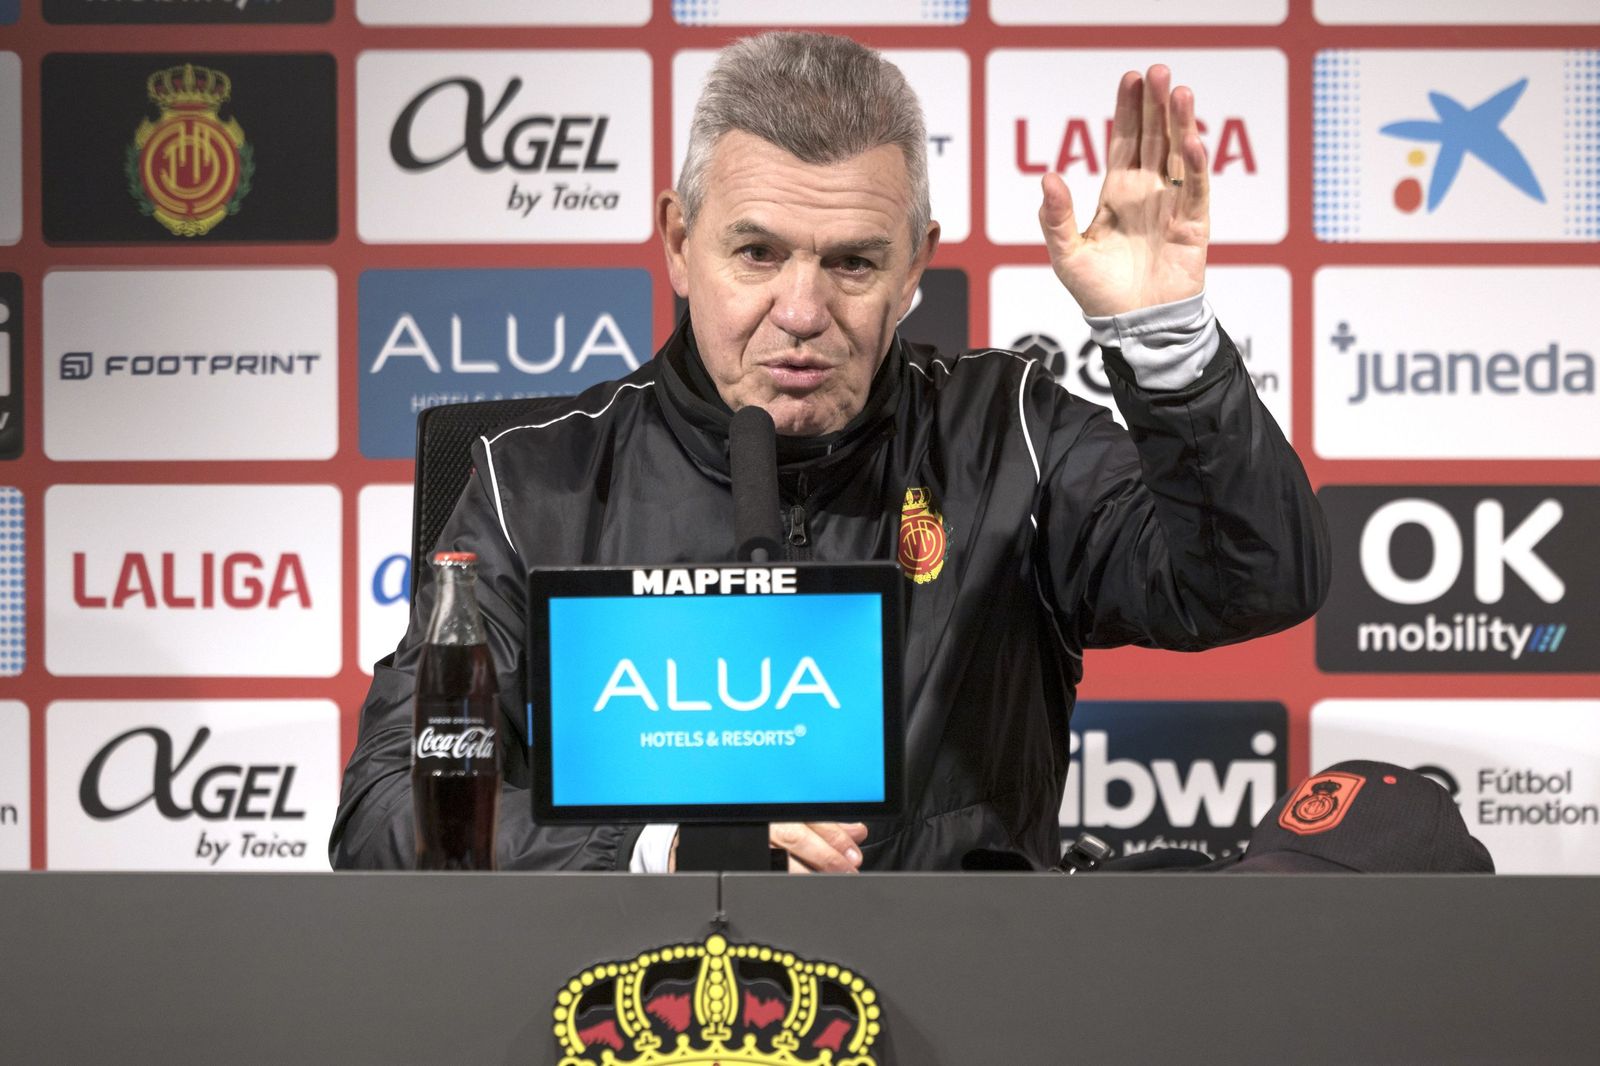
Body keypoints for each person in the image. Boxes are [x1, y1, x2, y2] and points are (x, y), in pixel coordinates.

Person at [331, 31, 1329, 873]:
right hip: (632, 1022)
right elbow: (387, 811)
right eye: (757, 253)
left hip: (949, 1016)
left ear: (914, 268)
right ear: (679, 243)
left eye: (852, 262)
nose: (801, 314)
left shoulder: (1010, 435)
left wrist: (1165, 342)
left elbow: (1256, 583)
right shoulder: (533, 480)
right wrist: (668, 850)